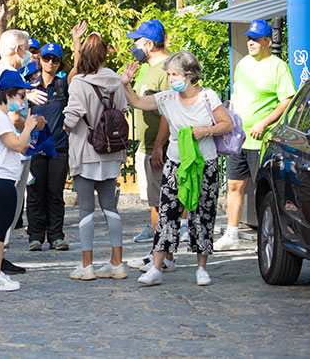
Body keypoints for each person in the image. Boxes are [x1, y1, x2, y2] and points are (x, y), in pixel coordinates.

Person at [121, 51, 233, 286]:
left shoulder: (208, 96)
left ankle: (201, 267)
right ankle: (156, 267)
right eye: (169, 74)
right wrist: (126, 84)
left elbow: (227, 124)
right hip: (175, 164)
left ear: (189, 75)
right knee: (166, 215)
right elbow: (138, 103)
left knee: (204, 213)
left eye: (175, 74)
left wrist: (206, 131)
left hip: (204, 164)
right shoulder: (167, 98)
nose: (171, 79)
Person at [215, 20, 295, 250]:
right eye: (249, 38)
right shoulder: (243, 65)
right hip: (240, 138)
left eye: (256, 39)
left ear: (268, 42)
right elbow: (237, 94)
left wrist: (264, 122)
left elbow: (287, 100)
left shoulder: (278, 67)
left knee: (262, 189)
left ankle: (266, 233)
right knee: (234, 185)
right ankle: (231, 234)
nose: (250, 42)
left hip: (263, 139)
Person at [0, 28, 44, 274]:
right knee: (6, 208)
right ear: (18, 50)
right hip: (10, 147)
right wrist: (32, 124)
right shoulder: (11, 74)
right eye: (26, 48)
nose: (29, 54)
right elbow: (15, 116)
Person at [62, 34, 128, 280]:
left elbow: (72, 117)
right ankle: (117, 262)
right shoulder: (116, 80)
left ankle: (87, 265)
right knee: (111, 208)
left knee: (86, 211)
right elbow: (121, 111)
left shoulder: (79, 82)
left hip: (86, 152)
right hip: (111, 153)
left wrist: (66, 126)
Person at [124, 19, 175, 270]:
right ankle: (160, 253)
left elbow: (168, 112)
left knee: (159, 203)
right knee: (155, 202)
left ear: (150, 44)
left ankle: (162, 258)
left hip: (160, 148)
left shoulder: (167, 69)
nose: (133, 45)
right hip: (147, 145)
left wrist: (157, 147)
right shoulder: (148, 69)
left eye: (137, 41)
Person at [26, 42, 70, 252]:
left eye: (55, 59)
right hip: (34, 148)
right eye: (46, 58)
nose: (50, 62)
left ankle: (56, 236)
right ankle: (35, 236)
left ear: (60, 63)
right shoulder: (29, 84)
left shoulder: (63, 84)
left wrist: (77, 44)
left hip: (59, 147)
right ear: (40, 59)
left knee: (55, 193)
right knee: (35, 192)